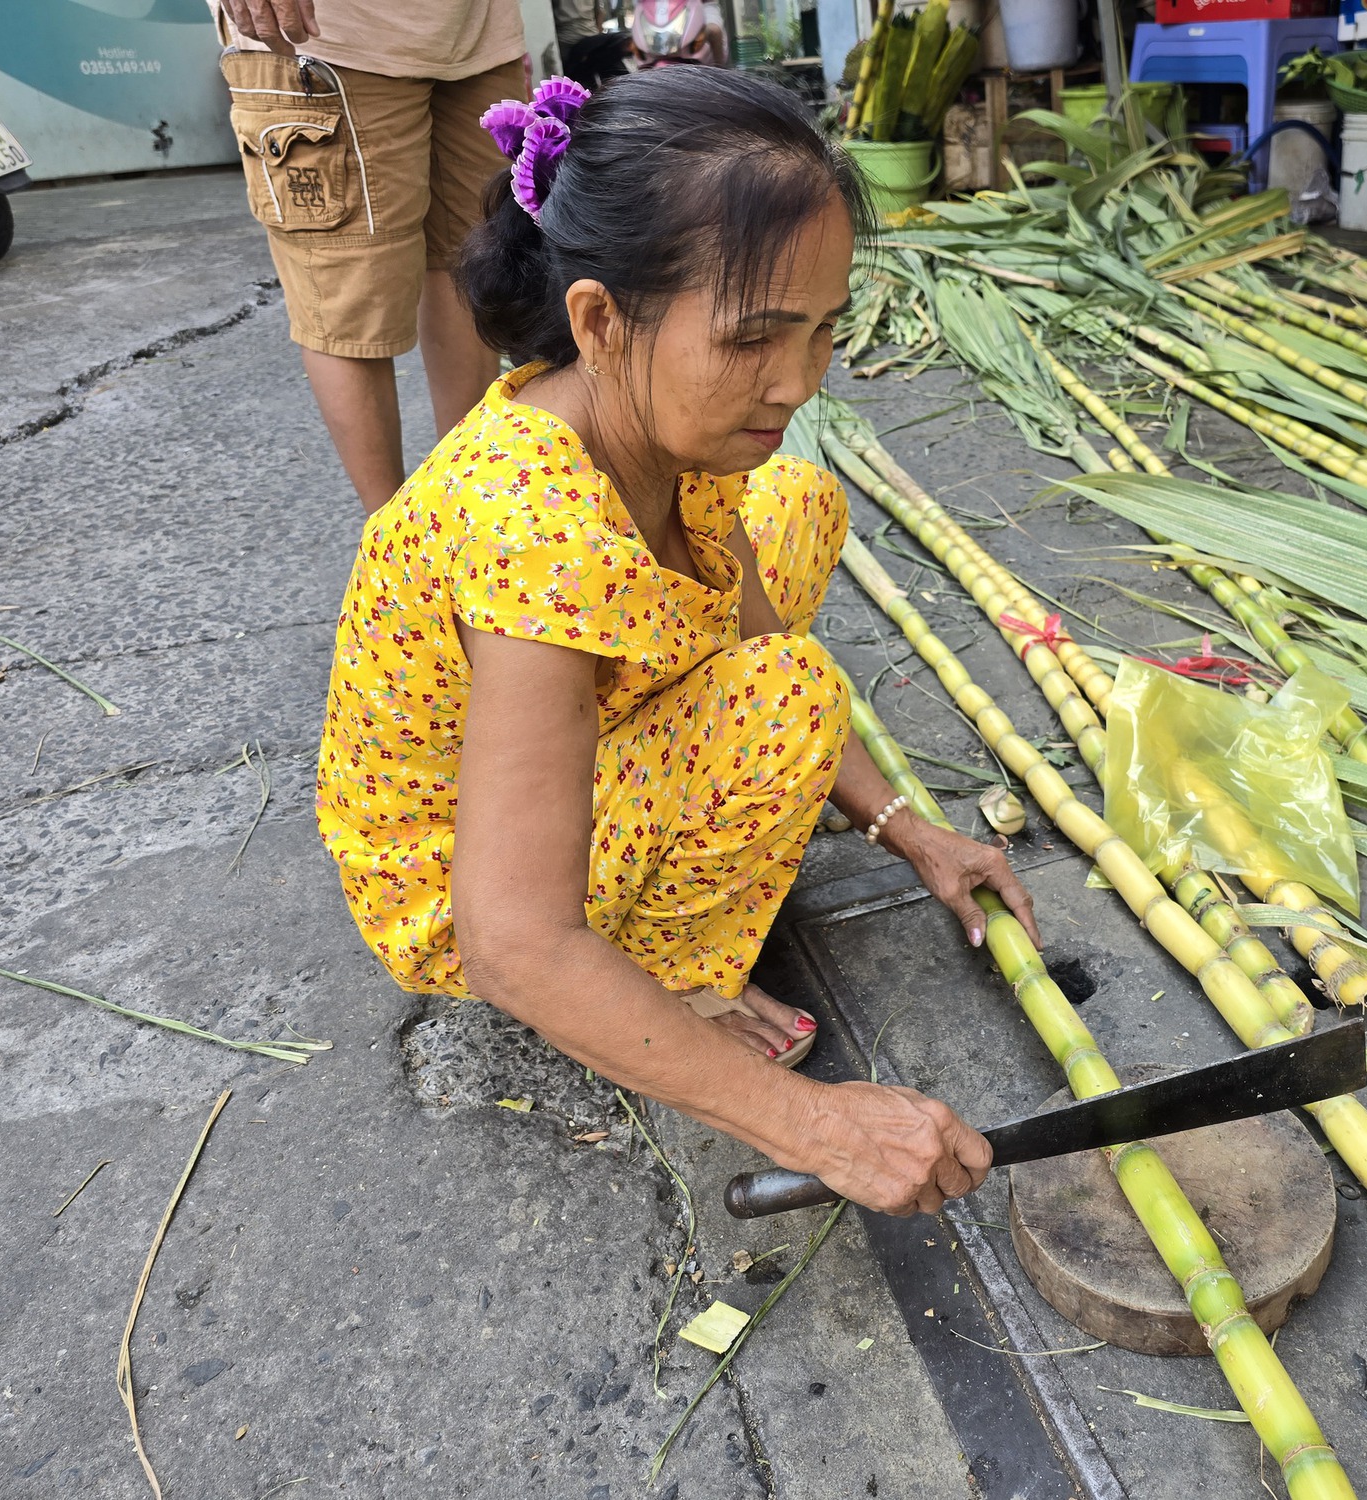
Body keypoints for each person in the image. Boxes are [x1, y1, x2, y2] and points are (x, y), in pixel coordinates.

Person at [316, 67, 1037, 1215]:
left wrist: (909, 832)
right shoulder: (534, 533)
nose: (796, 382)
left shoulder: (652, 426)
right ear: (600, 319)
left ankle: (670, 870)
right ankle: (669, 980)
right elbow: (509, 938)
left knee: (796, 508)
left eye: (822, 333)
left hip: (551, 729)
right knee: (786, 698)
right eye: (753, 338)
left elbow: (749, 621)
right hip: (455, 884)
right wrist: (817, 1126)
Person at [211, 0, 526, 513]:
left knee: (476, 268)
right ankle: (394, 558)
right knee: (348, 301)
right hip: (327, 38)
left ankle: (466, 518)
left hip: (476, 34)